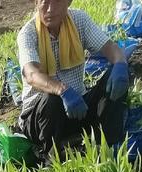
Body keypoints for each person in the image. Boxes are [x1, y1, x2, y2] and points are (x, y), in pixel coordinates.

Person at [16, 0, 129, 158]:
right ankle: (51, 156)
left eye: (56, 2)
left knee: (115, 77)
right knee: (52, 97)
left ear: (68, 2)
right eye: (44, 2)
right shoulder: (28, 33)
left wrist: (120, 64)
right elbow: (31, 74)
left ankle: (105, 144)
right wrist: (62, 90)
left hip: (78, 107)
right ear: (36, 3)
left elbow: (110, 48)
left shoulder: (79, 21)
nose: (49, 9)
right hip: (41, 117)